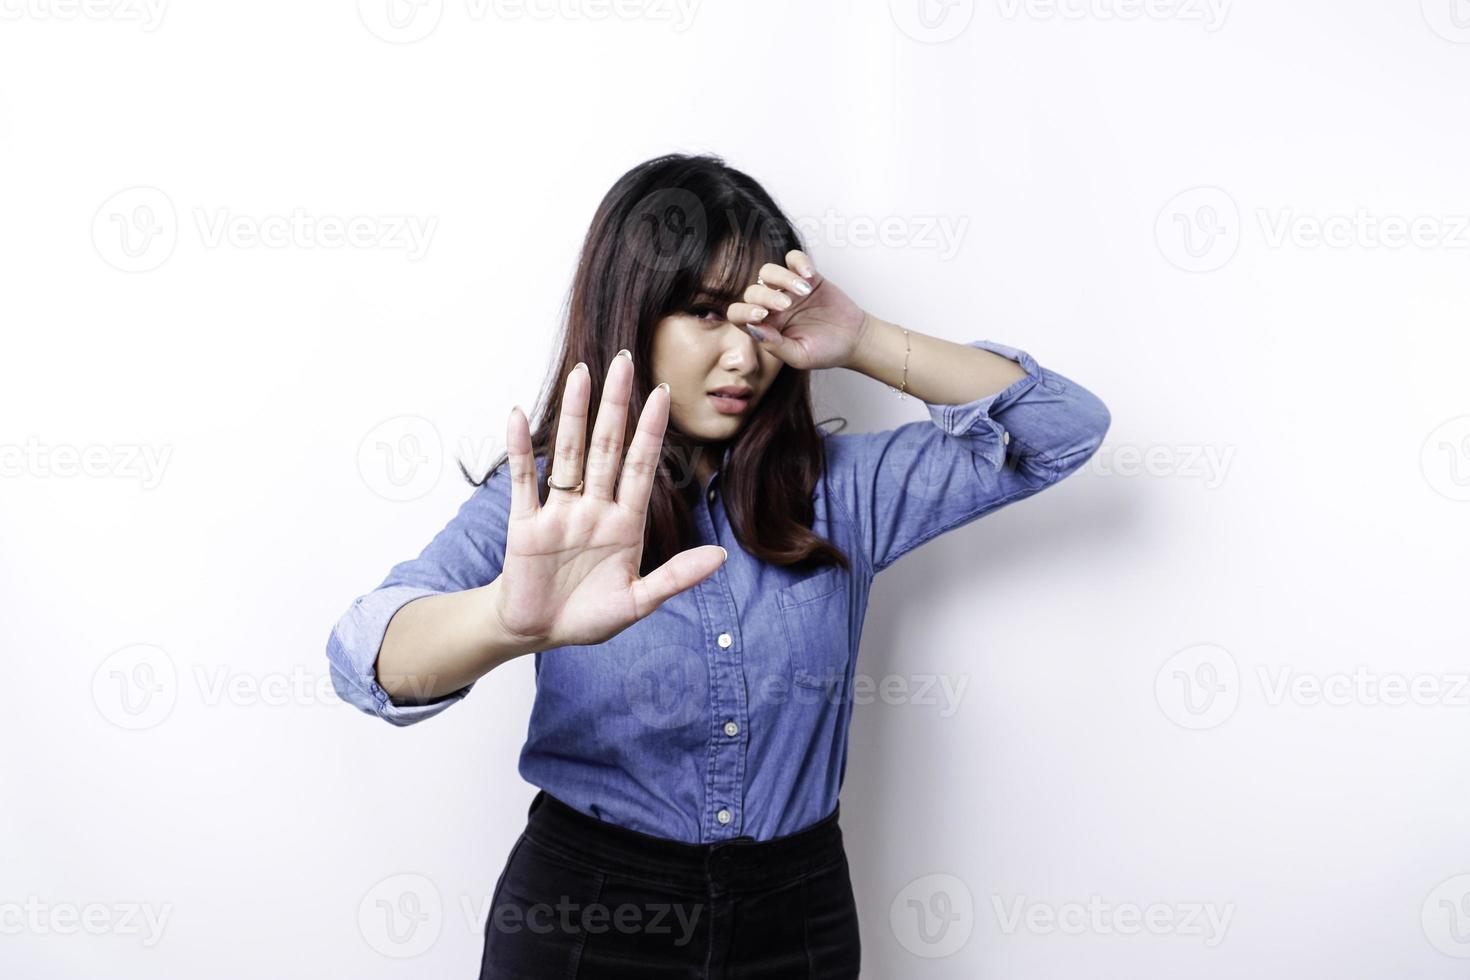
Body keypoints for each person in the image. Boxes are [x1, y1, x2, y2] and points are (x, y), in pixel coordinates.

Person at [325, 152, 1112, 978]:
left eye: (760, 322)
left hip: (797, 918)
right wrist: (500, 622)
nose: (745, 357)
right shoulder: (554, 508)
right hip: (586, 918)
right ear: (633, 315)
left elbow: (1064, 429)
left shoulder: (845, 492)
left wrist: (863, 340)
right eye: (706, 314)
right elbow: (362, 658)